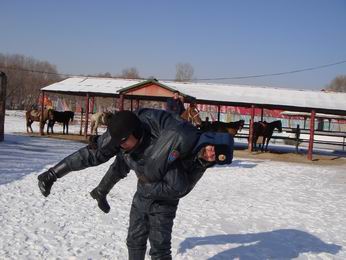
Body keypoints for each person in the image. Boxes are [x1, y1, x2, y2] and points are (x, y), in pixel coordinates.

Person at [37, 108, 234, 260]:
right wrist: (53, 173)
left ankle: (101, 191)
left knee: (159, 250)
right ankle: (98, 191)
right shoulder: (125, 135)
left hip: (164, 200)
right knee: (134, 240)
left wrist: (203, 159)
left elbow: (181, 186)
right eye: (119, 143)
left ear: (136, 133)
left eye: (123, 141)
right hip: (142, 196)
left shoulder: (165, 132)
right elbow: (93, 155)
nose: (121, 146)